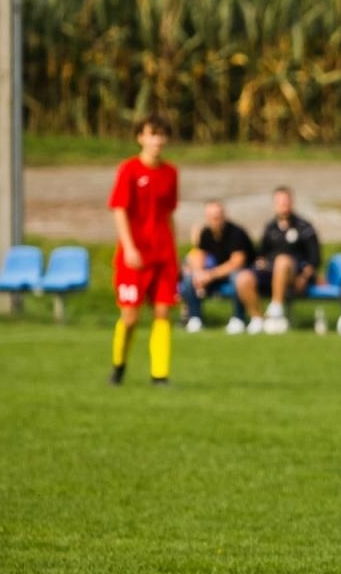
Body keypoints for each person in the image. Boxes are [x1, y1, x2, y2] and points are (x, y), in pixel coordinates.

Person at [107, 114, 179, 385]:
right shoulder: (129, 170)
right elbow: (119, 209)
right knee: (130, 316)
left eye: (162, 135)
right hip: (134, 255)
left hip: (162, 254)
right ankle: (119, 366)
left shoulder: (171, 172)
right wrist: (128, 247)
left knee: (163, 312)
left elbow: (169, 213)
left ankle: (160, 375)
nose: (157, 140)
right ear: (141, 137)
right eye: (152, 134)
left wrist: (173, 250)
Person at [235, 186, 321, 335]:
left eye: (286, 201)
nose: (283, 205)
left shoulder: (304, 227)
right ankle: (257, 319)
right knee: (243, 278)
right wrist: (260, 262)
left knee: (282, 261)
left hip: (294, 275)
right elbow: (261, 254)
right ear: (274, 204)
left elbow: (315, 259)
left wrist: (305, 277)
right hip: (270, 273)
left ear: (292, 202)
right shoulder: (270, 228)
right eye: (279, 202)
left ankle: (276, 308)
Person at [181, 199, 252, 333]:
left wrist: (210, 275)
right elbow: (199, 255)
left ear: (224, 215)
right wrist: (199, 273)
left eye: (218, 216)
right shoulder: (206, 233)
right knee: (189, 278)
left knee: (237, 277)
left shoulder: (236, 233)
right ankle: (195, 318)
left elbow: (237, 262)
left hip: (238, 274)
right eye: (212, 217)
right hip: (214, 275)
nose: (215, 219)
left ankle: (238, 318)